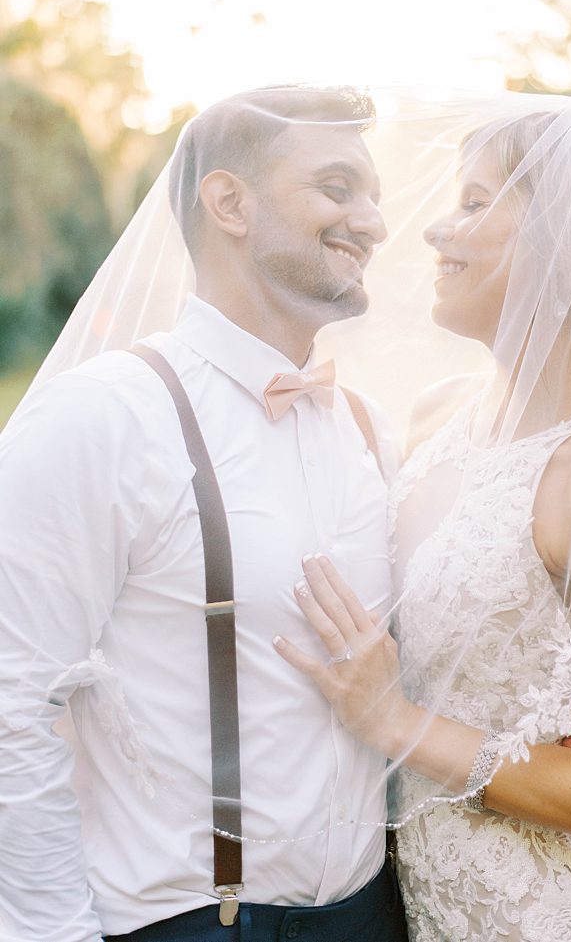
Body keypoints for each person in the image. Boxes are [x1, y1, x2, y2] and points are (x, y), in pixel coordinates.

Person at [274, 95, 571, 942]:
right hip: (422, 906)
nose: (439, 232)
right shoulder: (437, 415)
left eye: (476, 203)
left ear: (565, 242)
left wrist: (400, 723)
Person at [0, 85, 408, 940]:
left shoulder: (365, 426)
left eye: (373, 193)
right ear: (229, 202)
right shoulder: (102, 418)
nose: (371, 221)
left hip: (373, 911)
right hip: (189, 921)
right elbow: (13, 703)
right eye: (337, 188)